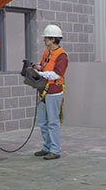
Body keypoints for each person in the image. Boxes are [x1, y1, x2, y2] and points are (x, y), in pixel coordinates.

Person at [33, 24, 69, 160]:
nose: (44, 41)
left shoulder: (62, 55)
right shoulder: (47, 52)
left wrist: (41, 74)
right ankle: (47, 147)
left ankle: (55, 150)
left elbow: (57, 74)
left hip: (54, 92)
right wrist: (37, 67)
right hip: (43, 91)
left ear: (53, 39)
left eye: (46, 38)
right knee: (43, 121)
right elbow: (45, 66)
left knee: (53, 122)